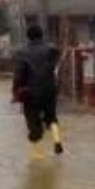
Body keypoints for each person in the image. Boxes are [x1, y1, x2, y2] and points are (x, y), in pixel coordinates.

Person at [12, 23, 64, 160]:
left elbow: (18, 75)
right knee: (51, 117)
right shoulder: (51, 50)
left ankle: (38, 155)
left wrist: (15, 90)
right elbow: (54, 64)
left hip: (30, 92)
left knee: (33, 122)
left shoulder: (21, 52)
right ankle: (57, 140)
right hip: (49, 89)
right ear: (41, 35)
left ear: (28, 37)